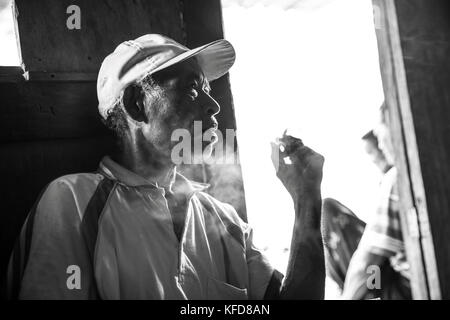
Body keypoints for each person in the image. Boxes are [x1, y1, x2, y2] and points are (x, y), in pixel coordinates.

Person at [6, 34, 325, 300]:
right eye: (191, 89)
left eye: (209, 91)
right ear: (135, 104)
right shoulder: (73, 201)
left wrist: (306, 198)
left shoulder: (221, 218)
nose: (213, 106)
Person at [342, 103, 411, 300]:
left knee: (374, 266)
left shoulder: (397, 178)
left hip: (406, 288)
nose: (380, 146)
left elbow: (370, 260)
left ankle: (372, 294)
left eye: (380, 136)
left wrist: (351, 297)